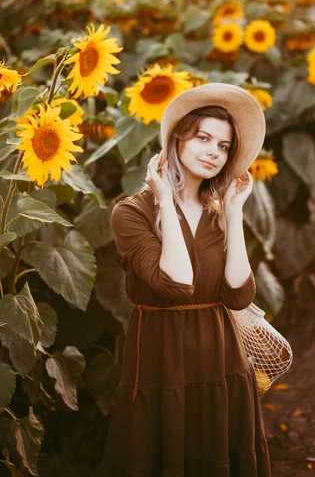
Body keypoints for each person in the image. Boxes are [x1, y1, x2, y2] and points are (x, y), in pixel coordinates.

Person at [97, 83, 271, 476]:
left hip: (221, 354)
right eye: (203, 138)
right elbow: (175, 284)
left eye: (224, 146)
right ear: (176, 140)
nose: (214, 151)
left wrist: (234, 213)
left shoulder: (217, 211)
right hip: (161, 356)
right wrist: (164, 200)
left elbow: (240, 294)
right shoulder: (131, 213)